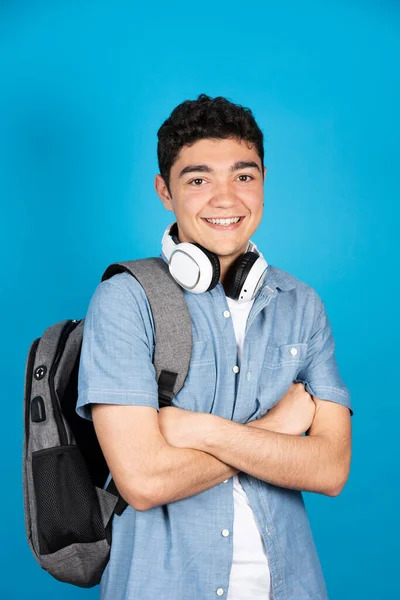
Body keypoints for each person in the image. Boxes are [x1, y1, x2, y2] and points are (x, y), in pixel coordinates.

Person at [76, 93, 352, 600]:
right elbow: (143, 481)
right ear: (165, 191)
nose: (226, 199)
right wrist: (275, 430)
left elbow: (331, 469)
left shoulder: (302, 305)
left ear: (264, 181)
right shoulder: (125, 300)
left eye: (243, 176)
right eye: (199, 180)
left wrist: (198, 431)